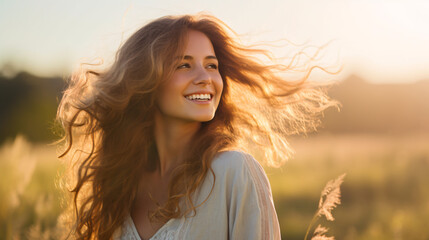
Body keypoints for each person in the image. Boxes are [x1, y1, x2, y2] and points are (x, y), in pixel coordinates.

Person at [56, 13, 339, 240]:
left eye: (212, 66)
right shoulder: (123, 180)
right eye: (184, 65)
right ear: (146, 81)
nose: (205, 78)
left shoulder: (236, 172)